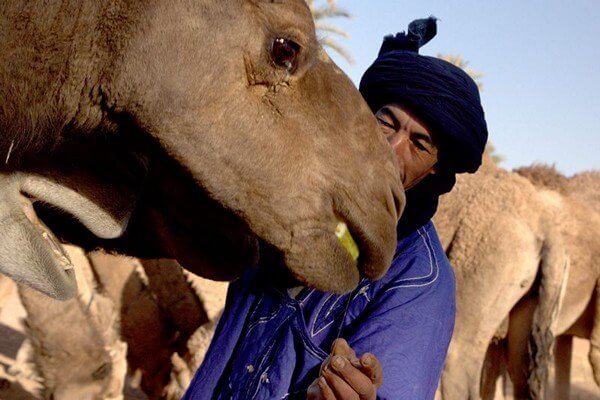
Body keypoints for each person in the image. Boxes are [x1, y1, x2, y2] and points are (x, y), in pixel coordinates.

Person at [183, 17, 488, 400]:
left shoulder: (422, 282)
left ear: (436, 168)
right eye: (386, 123)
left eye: (419, 144)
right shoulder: (293, 201)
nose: (390, 150)